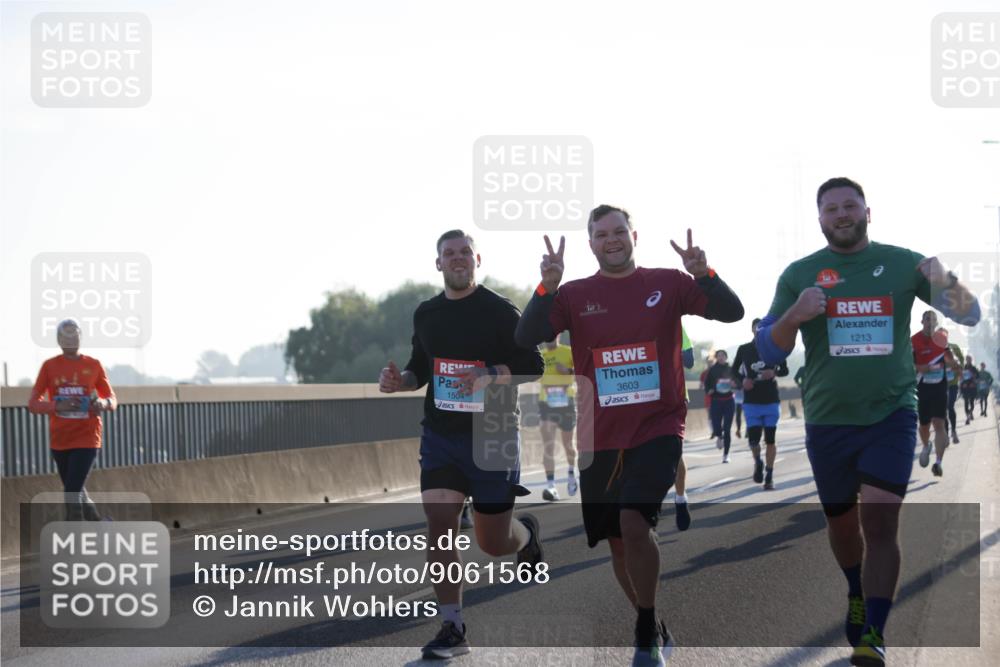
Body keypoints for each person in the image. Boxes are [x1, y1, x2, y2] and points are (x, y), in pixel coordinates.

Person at [754, 177, 980, 666]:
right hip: (828, 420)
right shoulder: (800, 273)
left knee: (879, 520)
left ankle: (874, 631)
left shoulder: (903, 263)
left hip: (891, 413)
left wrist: (947, 281)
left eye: (849, 206)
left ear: (867, 212)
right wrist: (796, 312)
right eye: (831, 208)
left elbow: (972, 315)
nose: (841, 214)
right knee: (841, 526)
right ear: (820, 218)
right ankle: (855, 589)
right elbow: (770, 348)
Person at [515, 205, 743, 666]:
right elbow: (526, 336)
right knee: (618, 541)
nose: (612, 239)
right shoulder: (575, 294)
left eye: (619, 231)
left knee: (634, 522)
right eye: (601, 234)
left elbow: (732, 312)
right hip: (599, 434)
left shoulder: (669, 283)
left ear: (634, 235)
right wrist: (547, 287)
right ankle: (649, 616)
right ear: (591, 244)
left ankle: (644, 629)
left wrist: (705, 274)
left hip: (658, 425)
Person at [378, 230, 545, 660]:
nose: (457, 259)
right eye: (448, 254)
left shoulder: (500, 310)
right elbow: (421, 368)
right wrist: (402, 383)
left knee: (492, 542)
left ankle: (525, 536)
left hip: (492, 431)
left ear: (477, 259)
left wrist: (492, 373)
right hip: (441, 434)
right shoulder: (426, 314)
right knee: (439, 524)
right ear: (438, 264)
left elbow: (534, 365)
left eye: (464, 252)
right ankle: (452, 626)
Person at [28, 318, 117, 521]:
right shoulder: (49, 367)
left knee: (71, 493)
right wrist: (57, 406)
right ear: (59, 340)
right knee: (77, 490)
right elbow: (33, 403)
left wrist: (103, 404)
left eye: (75, 334)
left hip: (87, 437)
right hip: (60, 441)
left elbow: (112, 399)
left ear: (80, 337)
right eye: (66, 336)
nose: (71, 339)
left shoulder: (93, 365)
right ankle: (101, 526)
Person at [733, 318, 789, 490]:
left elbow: (785, 370)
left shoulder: (776, 347)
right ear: (752, 330)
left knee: (770, 440)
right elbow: (733, 370)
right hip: (751, 401)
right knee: (754, 441)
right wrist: (743, 380)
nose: (759, 331)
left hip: (771, 399)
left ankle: (769, 475)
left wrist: (774, 371)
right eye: (756, 328)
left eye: (762, 328)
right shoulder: (744, 349)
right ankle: (758, 462)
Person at [911, 311, 959, 477]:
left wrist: (955, 365)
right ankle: (926, 446)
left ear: (936, 323)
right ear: (922, 321)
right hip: (922, 388)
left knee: (939, 424)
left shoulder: (941, 340)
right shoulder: (914, 341)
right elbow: (907, 364)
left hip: (940, 387)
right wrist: (919, 368)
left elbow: (949, 359)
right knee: (924, 426)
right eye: (927, 319)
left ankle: (938, 463)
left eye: (933, 320)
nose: (930, 323)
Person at [538, 335, 578, 501]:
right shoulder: (542, 354)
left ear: (558, 336)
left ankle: (571, 474)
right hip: (546, 401)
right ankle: (551, 486)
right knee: (548, 445)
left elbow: (583, 370)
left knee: (568, 445)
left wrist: (568, 371)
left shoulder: (568, 352)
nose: (549, 339)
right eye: (545, 337)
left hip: (565, 401)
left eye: (551, 336)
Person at [673, 326, 695, 531]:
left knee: (674, 451)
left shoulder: (675, 321)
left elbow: (689, 361)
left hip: (674, 395)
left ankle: (680, 498)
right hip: (638, 396)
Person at [704, 350, 738, 463]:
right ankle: (719, 436)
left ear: (726, 357)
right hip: (716, 401)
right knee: (716, 425)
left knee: (727, 428)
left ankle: (726, 455)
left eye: (723, 356)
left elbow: (738, 381)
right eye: (719, 356)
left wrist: (735, 384)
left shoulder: (732, 369)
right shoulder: (713, 370)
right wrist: (709, 390)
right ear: (716, 358)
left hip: (729, 401)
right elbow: (707, 384)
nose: (721, 357)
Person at [940, 329, 964, 444]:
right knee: (943, 410)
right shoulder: (935, 349)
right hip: (940, 383)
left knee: (950, 406)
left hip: (953, 382)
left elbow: (961, 361)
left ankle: (954, 432)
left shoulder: (954, 347)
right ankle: (946, 434)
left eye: (944, 335)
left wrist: (958, 370)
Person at [699, 355, 717, 439]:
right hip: (708, 396)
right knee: (710, 414)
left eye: (711, 361)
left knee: (719, 413)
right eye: (708, 361)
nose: (710, 363)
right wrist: (704, 387)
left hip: (719, 396)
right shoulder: (704, 373)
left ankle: (719, 429)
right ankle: (713, 431)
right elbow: (701, 385)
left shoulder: (719, 371)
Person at [960, 356, 979, 425]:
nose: (968, 360)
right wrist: (963, 384)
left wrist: (973, 381)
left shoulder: (974, 368)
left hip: (972, 387)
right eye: (967, 359)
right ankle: (968, 417)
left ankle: (970, 413)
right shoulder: (963, 368)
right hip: (965, 387)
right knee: (966, 403)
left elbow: (977, 377)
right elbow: (960, 377)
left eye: (970, 359)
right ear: (966, 360)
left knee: (971, 402)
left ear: (971, 360)